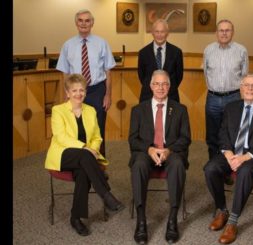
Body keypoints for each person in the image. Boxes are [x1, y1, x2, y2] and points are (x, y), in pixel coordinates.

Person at [204, 73, 253, 244]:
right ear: (241, 88)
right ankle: (222, 210)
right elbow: (222, 133)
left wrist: (244, 157)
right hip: (233, 153)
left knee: (245, 171)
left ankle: (232, 222)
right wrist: (229, 154)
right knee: (210, 168)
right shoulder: (232, 107)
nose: (250, 89)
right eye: (246, 85)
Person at [45, 74, 124, 236]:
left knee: (83, 173)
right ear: (67, 93)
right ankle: (106, 194)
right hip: (63, 155)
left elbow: (96, 136)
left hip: (85, 157)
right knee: (84, 156)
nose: (78, 94)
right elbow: (61, 137)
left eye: (81, 90)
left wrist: (93, 149)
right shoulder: (58, 110)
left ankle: (75, 218)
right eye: (74, 90)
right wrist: (85, 148)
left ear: (86, 92)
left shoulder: (90, 111)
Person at [128, 70, 191, 244]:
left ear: (170, 87)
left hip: (171, 152)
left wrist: (168, 150)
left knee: (178, 164)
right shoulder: (138, 110)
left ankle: (172, 219)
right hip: (146, 152)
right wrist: (148, 149)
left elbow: (185, 138)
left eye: (164, 84)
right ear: (150, 86)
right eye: (157, 84)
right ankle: (141, 221)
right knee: (139, 164)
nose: (160, 88)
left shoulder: (180, 109)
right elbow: (133, 139)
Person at [56, 9, 116, 157]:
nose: (84, 23)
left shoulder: (102, 43)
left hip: (97, 90)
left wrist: (108, 94)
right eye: (81, 20)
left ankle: (100, 164)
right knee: (78, 127)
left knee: (98, 128)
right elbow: (65, 72)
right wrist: (67, 93)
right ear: (76, 23)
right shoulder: (67, 45)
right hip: (76, 91)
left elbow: (108, 71)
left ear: (92, 23)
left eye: (87, 20)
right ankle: (81, 163)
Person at [203, 19, 249, 160]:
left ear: (232, 32)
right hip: (213, 98)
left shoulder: (241, 51)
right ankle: (213, 166)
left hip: (233, 98)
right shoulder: (208, 50)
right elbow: (206, 74)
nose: (224, 33)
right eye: (221, 30)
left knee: (231, 134)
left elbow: (245, 76)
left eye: (227, 30)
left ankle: (228, 168)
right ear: (216, 33)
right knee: (212, 135)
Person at [138, 19, 184, 103]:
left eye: (162, 32)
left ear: (167, 33)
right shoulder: (143, 53)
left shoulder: (176, 52)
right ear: (152, 33)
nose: (159, 35)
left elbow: (179, 76)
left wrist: (166, 88)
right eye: (157, 31)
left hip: (171, 96)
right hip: (148, 96)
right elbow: (142, 77)